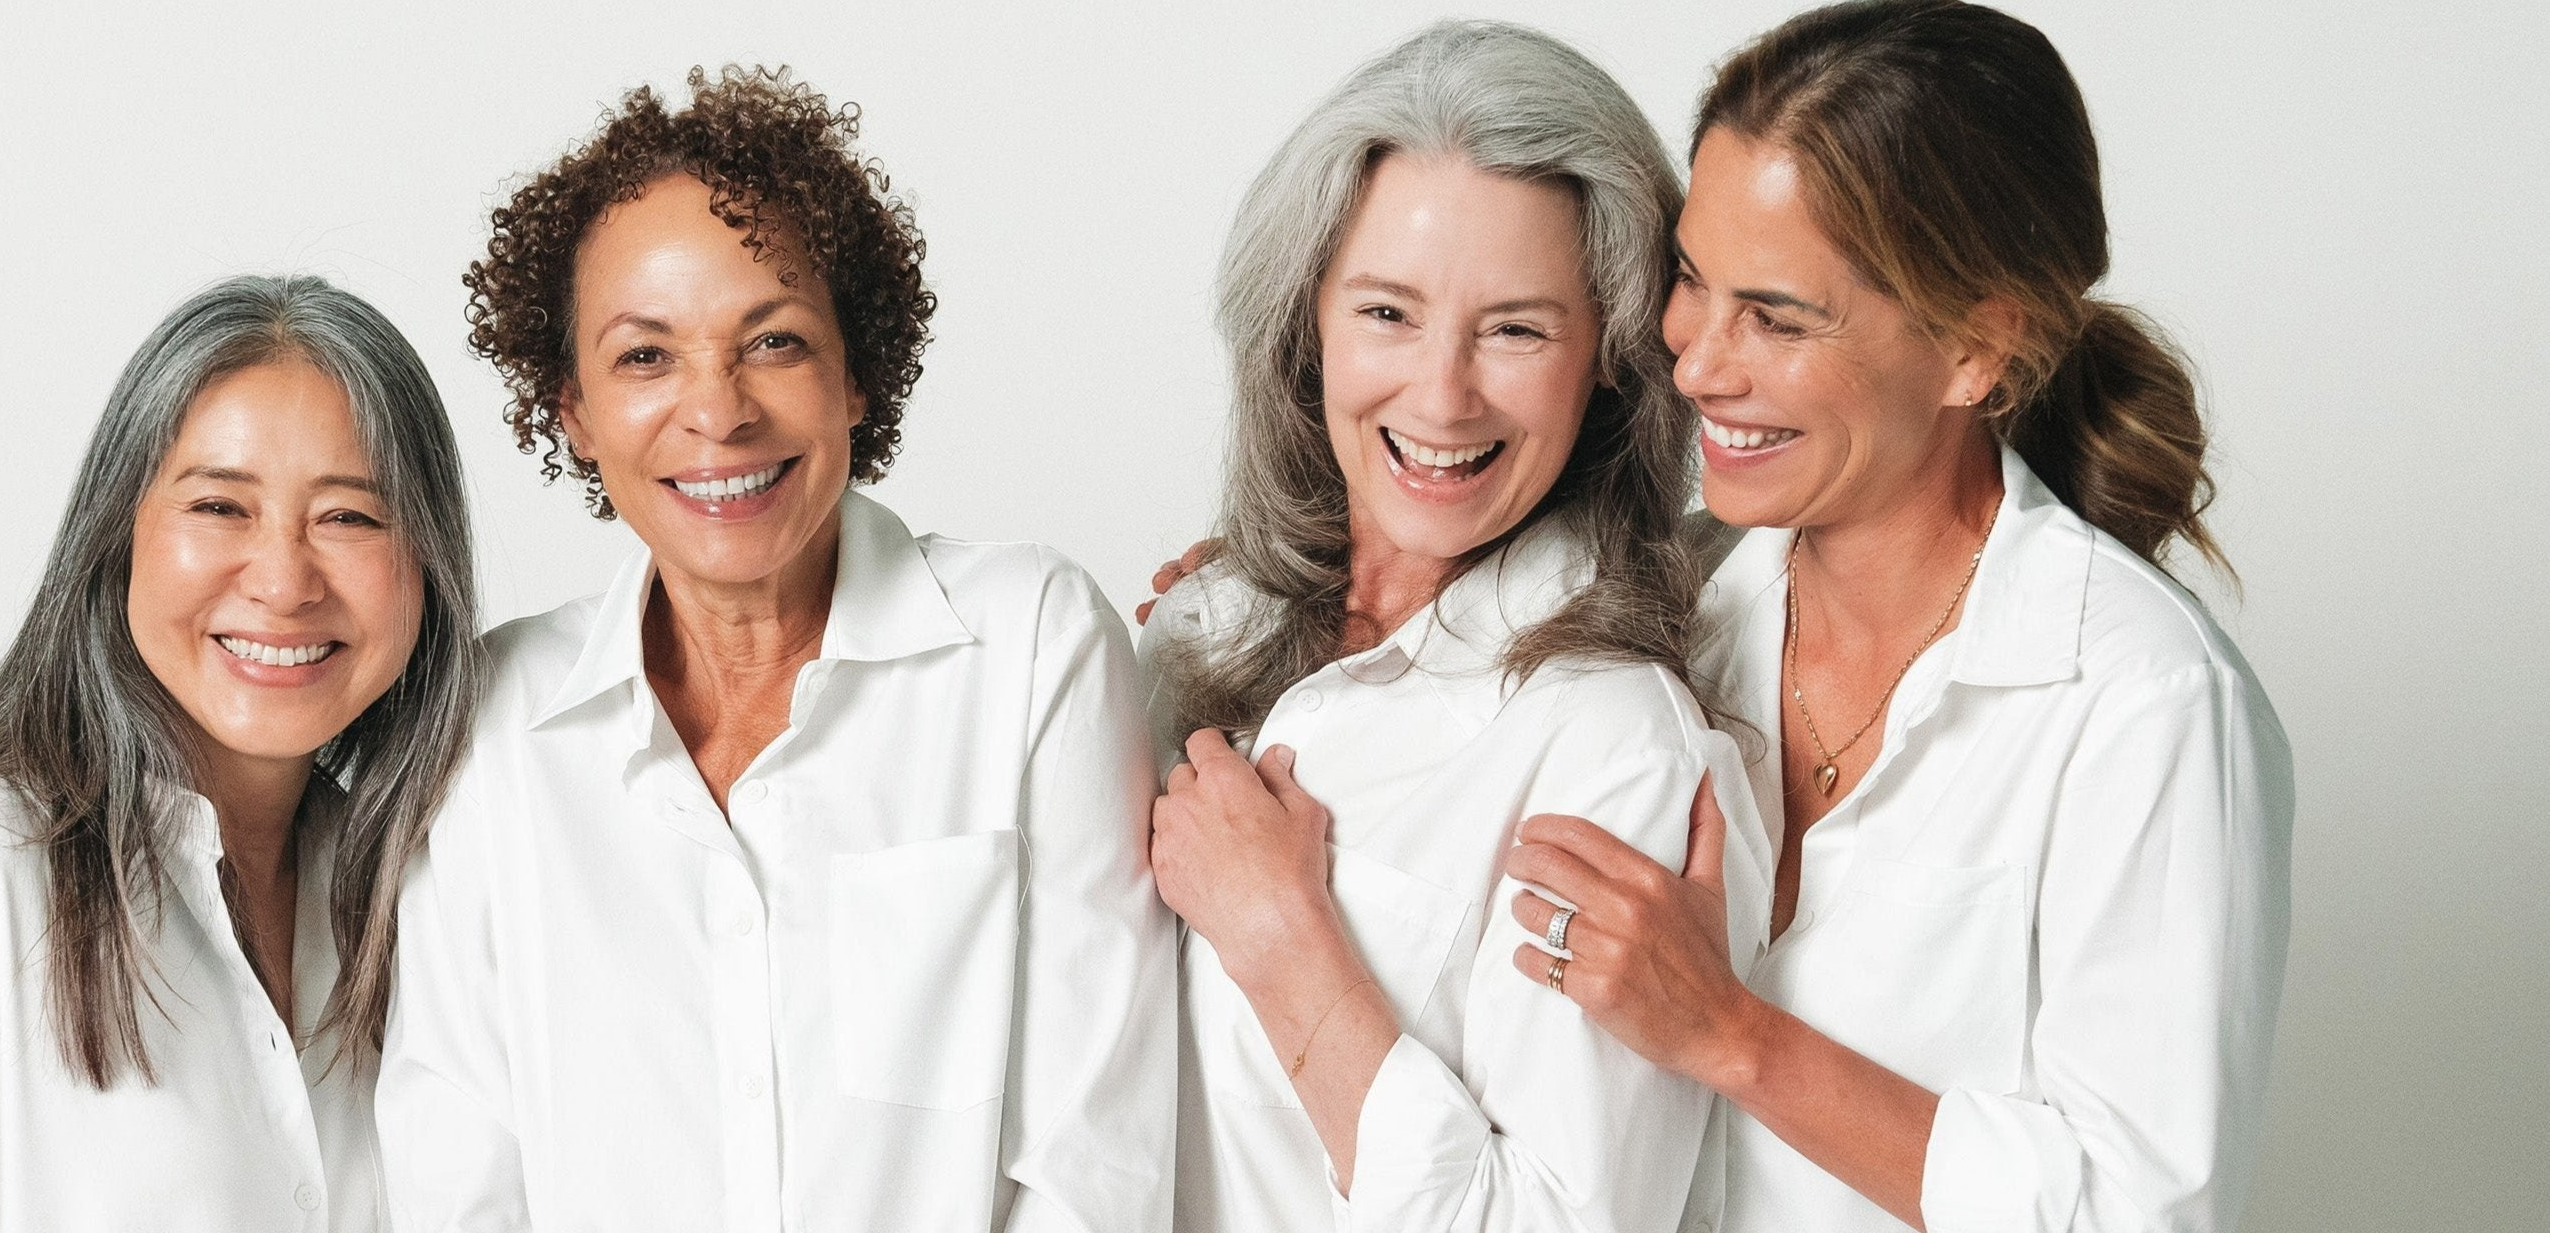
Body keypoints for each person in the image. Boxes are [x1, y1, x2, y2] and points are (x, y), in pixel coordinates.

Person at [1493, 3, 2295, 1230]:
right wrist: (1283, 592)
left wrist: (1731, 1034)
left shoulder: (2144, 703)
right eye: (1693, 282)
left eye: (1776, 315)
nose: (1699, 361)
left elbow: (2139, 1211)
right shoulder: (1669, 618)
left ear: (1979, 349)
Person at [374, 67, 1175, 1232]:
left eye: (776, 342)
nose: (719, 411)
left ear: (856, 375)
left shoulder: (1029, 647)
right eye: (645, 357)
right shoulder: (494, 727)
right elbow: (459, 1183)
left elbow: (1093, 1167)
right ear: (576, 414)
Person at [1139, 22, 1773, 1233]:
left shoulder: (1614, 745)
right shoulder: (1191, 631)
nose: (1441, 396)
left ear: (1610, 362)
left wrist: (1284, 942)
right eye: (1387, 312)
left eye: (1518, 328)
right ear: (1306, 321)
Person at [0, 274, 482, 1231]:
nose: (284, 581)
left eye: (349, 516)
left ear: (427, 562)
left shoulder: (419, 899)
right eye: (220, 506)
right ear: (115, 535)